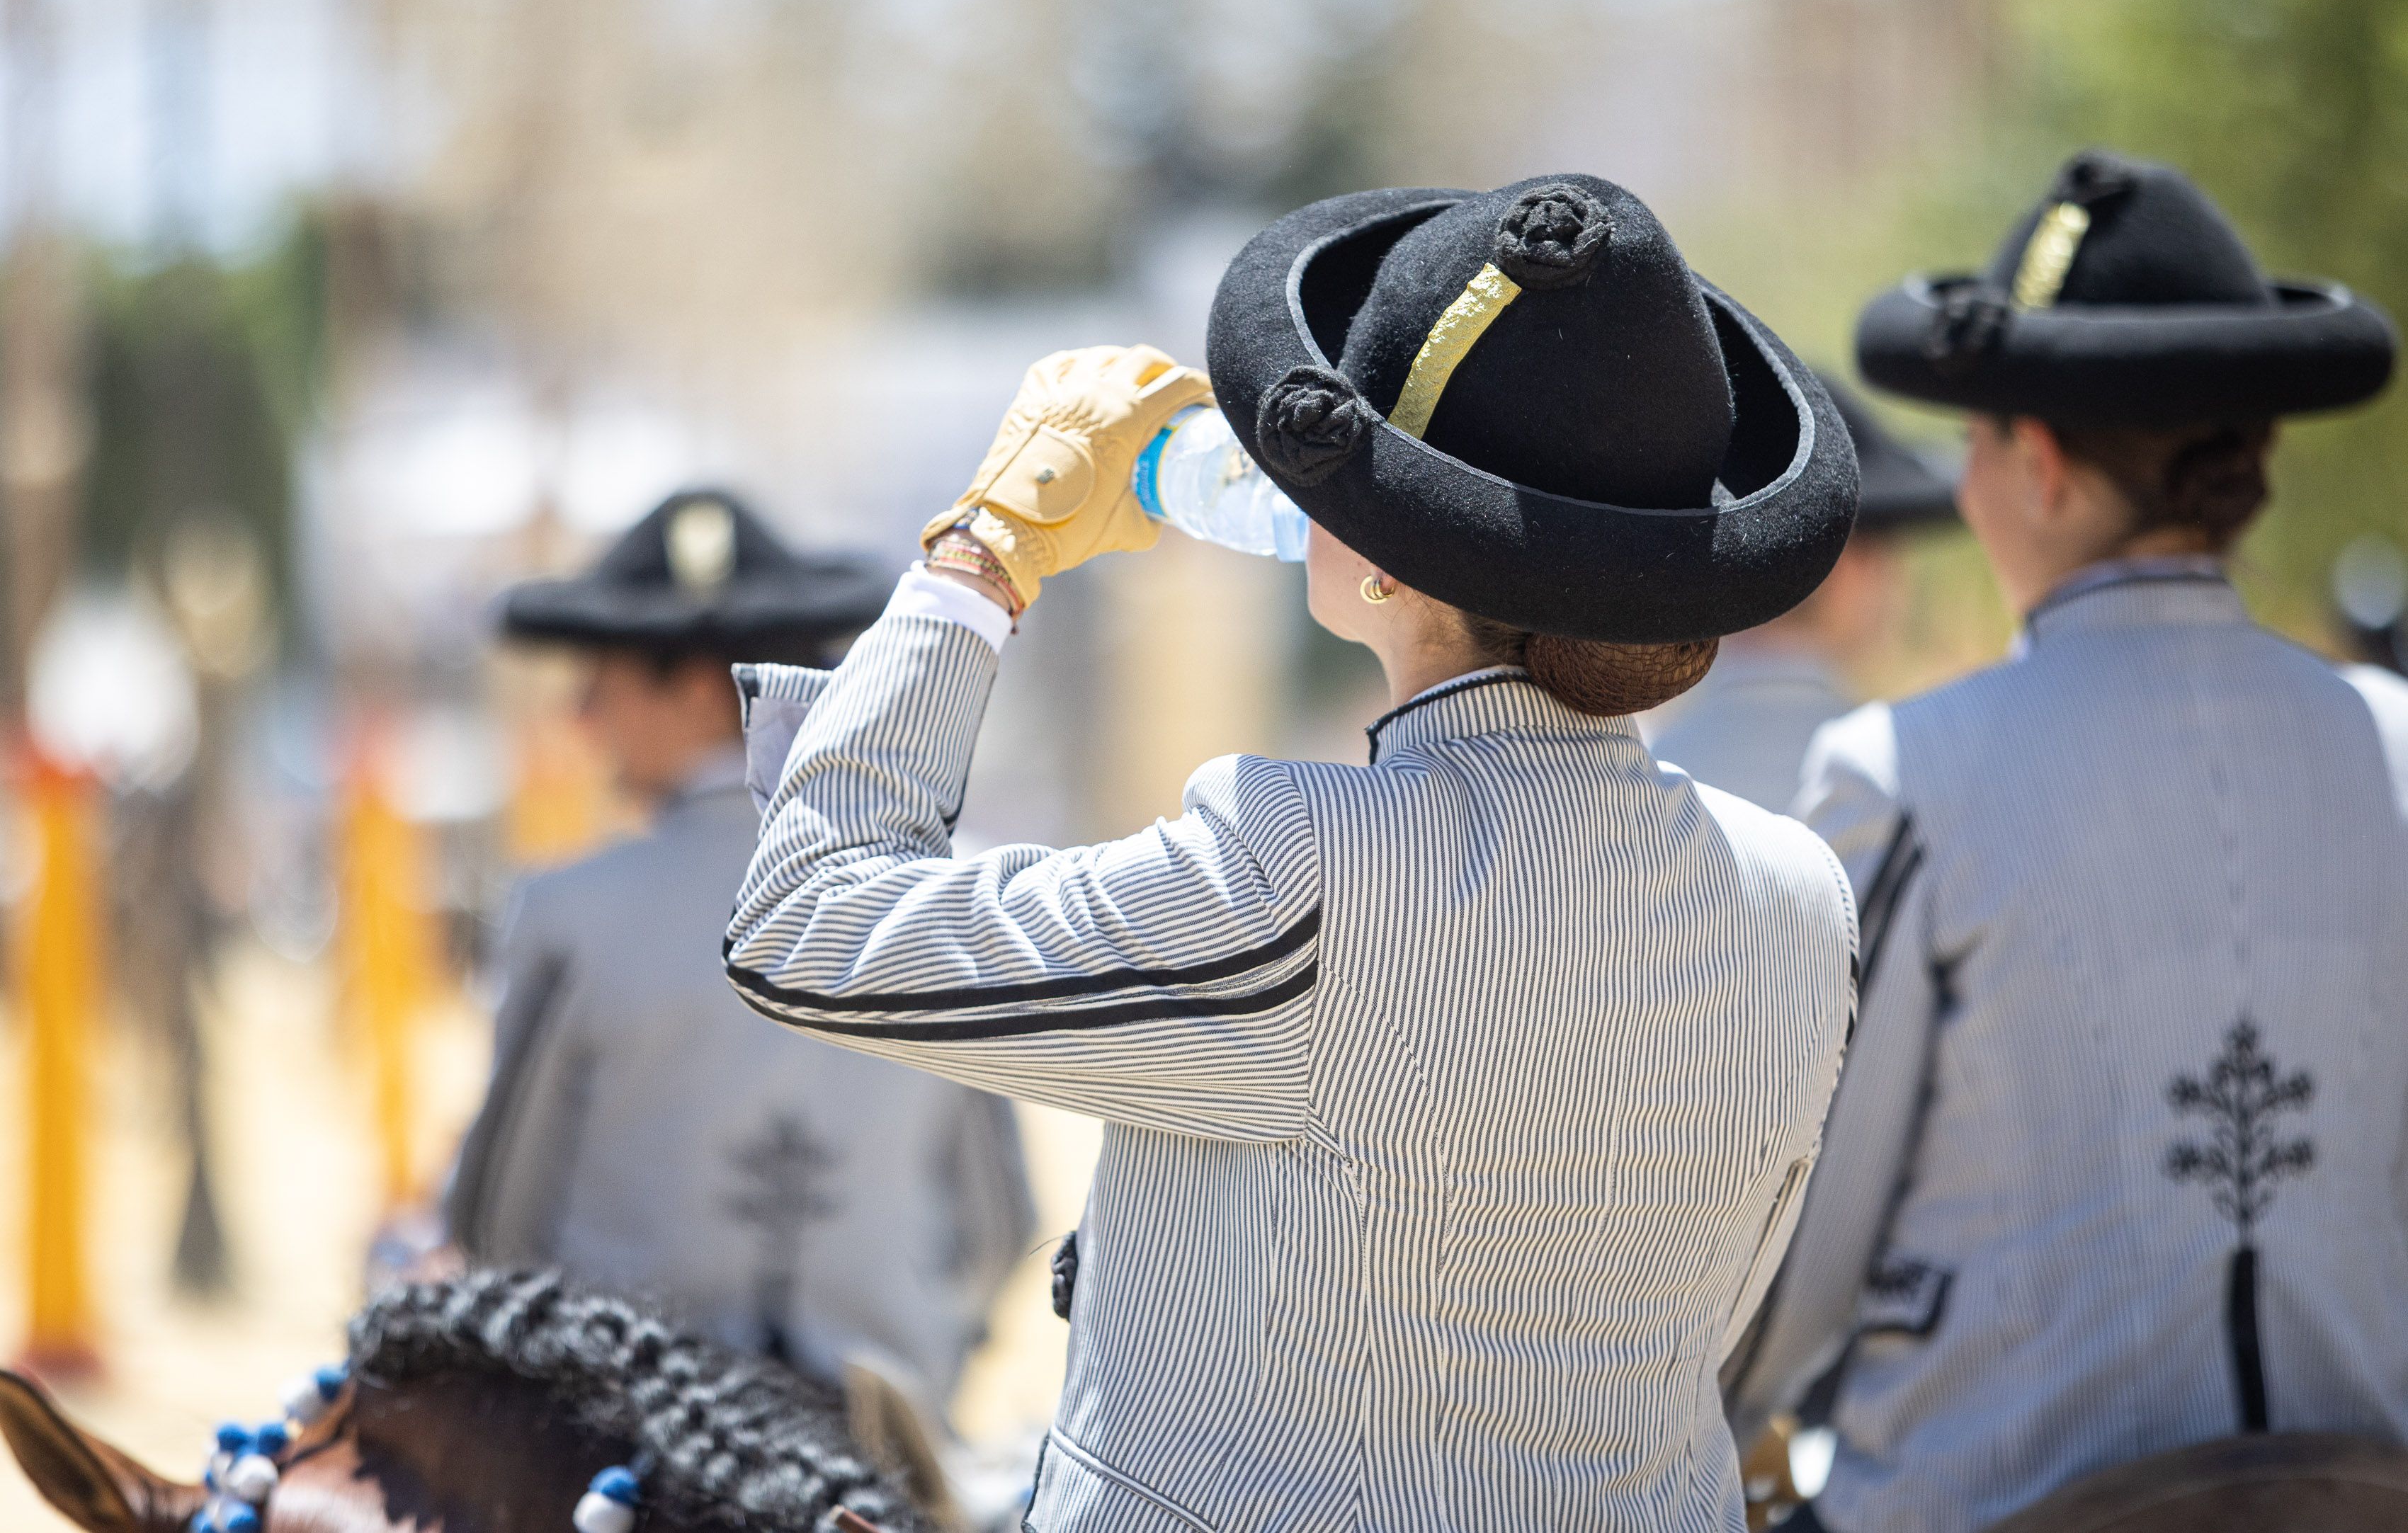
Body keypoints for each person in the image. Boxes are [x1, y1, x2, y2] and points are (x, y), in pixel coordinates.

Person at [722, 176, 1863, 1531]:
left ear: (1394, 566)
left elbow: (805, 927)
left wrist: (985, 557)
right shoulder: (1798, 890)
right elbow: (1717, 1327)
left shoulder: (1309, 866)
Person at [1725, 151, 2404, 1533]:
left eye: (1973, 443)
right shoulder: (2392, 741)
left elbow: (1796, 1236)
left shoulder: (1907, 771)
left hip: (1988, 1499)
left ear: (2030, 460)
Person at [445, 489, 1035, 1415]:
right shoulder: (945, 889)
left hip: (636, 1437)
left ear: (693, 688)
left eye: (602, 678)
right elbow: (999, 1227)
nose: (581, 713)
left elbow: (496, 1219)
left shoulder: (567, 910)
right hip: (878, 1443)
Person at [1642, 382, 1957, 809]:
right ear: (1844, 562)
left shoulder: (1638, 769)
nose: (1897, 577)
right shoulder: (1904, 779)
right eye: (1884, 547)